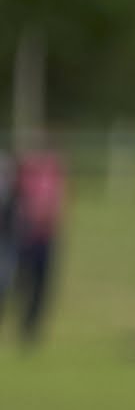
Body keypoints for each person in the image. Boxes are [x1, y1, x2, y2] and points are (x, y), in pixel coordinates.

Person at [7, 134, 60, 348]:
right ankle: (21, 324)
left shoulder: (54, 174)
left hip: (47, 236)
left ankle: (31, 329)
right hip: (26, 236)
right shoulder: (23, 177)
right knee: (23, 282)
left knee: (42, 285)